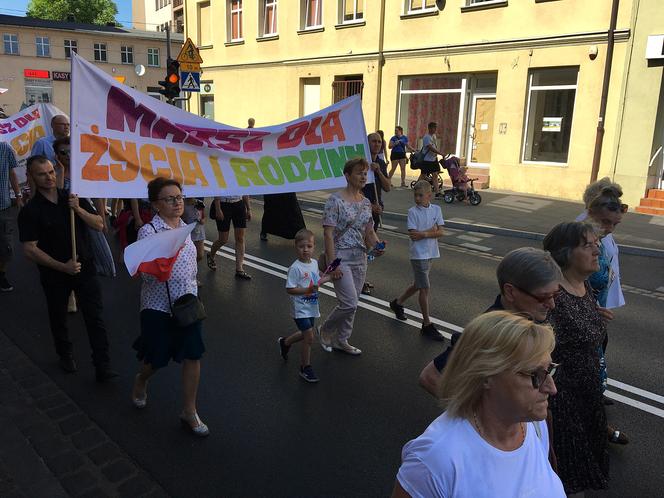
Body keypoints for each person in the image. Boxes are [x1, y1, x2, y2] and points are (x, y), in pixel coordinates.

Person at [392, 311, 564, 498]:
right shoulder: (436, 461)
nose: (551, 388)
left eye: (549, 370)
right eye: (536, 375)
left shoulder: (534, 424)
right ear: (486, 376)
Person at [17, 155, 117, 381]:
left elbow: (100, 224)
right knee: (58, 316)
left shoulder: (72, 198)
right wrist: (62, 267)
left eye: (51, 172)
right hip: (55, 274)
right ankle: (65, 353)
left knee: (95, 317)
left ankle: (103, 365)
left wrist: (79, 210)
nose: (49, 177)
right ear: (31, 176)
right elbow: (30, 250)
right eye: (42, 174)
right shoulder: (31, 211)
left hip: (85, 269)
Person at [419, 247, 562, 397]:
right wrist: (478, 416)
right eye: (543, 297)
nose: (551, 304)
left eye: (555, 295)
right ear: (510, 292)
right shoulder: (489, 334)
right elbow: (430, 377)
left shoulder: (531, 317)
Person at [131, 177, 209, 437]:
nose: (177, 203)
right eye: (170, 199)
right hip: (158, 306)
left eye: (179, 197)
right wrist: (159, 268)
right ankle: (142, 379)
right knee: (157, 357)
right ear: (156, 204)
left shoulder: (186, 227)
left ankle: (189, 410)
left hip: (187, 305)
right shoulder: (149, 231)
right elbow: (145, 273)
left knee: (193, 354)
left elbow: (191, 269)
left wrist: (196, 294)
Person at [543, 222, 610, 495]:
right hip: (563, 405)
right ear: (566, 253)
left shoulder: (584, 288)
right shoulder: (553, 297)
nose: (597, 251)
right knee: (568, 482)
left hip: (588, 397)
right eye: (588, 245)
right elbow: (538, 355)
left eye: (597, 244)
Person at [318, 157, 384, 355]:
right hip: (340, 257)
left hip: (360, 257)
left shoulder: (365, 203)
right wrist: (332, 265)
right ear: (347, 176)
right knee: (349, 303)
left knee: (353, 304)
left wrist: (377, 245)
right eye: (359, 173)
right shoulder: (334, 200)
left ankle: (342, 339)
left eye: (365, 173)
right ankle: (326, 329)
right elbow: (328, 234)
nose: (363, 176)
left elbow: (369, 231)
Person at [389, 180, 445, 341]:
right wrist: (430, 231)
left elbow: (442, 232)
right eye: (415, 195)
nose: (417, 198)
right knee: (425, 288)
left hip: (431, 252)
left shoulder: (437, 209)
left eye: (421, 195)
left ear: (429, 196)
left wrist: (425, 234)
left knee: (418, 284)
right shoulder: (412, 212)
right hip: (418, 254)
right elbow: (414, 235)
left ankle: (397, 303)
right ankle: (426, 324)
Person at [278, 229, 335, 383]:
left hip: (311, 306)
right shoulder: (295, 268)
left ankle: (285, 342)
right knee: (309, 337)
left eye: (309, 246)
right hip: (300, 308)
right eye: (301, 246)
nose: (305, 250)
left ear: (313, 247)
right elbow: (289, 289)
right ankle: (305, 368)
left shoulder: (314, 263)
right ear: (295, 247)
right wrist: (308, 290)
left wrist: (330, 277)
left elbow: (316, 282)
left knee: (305, 334)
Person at [361, 132, 391, 295]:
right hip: (361, 212)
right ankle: (360, 281)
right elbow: (354, 189)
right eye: (373, 141)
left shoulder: (380, 162)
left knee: (368, 250)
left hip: (376, 212)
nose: (377, 144)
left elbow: (387, 187)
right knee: (363, 248)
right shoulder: (360, 163)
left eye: (379, 142)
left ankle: (360, 278)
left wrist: (378, 171)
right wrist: (370, 205)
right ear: (367, 143)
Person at [207, 195, 252, 279]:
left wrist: (248, 208)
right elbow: (218, 188)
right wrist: (218, 208)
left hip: (239, 205)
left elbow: (245, 190)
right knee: (223, 239)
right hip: (223, 204)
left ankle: (239, 269)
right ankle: (211, 254)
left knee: (240, 238)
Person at [0, 141, 23, 292]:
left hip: (3, 206)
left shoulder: (5, 148)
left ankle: (1, 274)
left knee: (7, 247)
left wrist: (18, 195)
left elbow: (11, 173)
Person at [182, 197, 206, 284]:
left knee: (200, 255)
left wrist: (201, 220)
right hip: (187, 233)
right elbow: (179, 219)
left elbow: (203, 218)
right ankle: (190, 277)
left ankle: (190, 271)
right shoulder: (182, 204)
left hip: (198, 230)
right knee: (188, 256)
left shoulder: (199, 203)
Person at [418, 122, 443, 197]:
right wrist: (440, 153)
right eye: (433, 128)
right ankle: (417, 187)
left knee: (435, 175)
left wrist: (437, 154)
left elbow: (434, 146)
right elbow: (430, 148)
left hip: (433, 159)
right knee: (423, 175)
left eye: (435, 128)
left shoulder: (434, 136)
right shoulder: (426, 137)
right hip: (427, 160)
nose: (434, 129)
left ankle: (437, 192)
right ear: (429, 128)